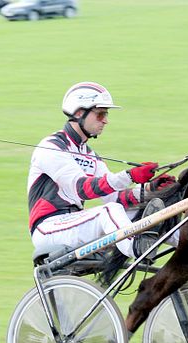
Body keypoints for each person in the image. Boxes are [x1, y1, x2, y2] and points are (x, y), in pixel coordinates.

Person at [28, 81, 177, 262]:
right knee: (109, 212)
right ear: (79, 113)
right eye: (100, 114)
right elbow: (82, 189)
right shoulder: (51, 147)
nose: (106, 120)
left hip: (74, 222)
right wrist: (129, 176)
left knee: (143, 212)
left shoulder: (90, 155)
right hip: (48, 228)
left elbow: (116, 196)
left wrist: (150, 189)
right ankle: (137, 249)